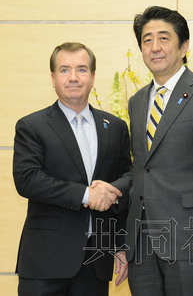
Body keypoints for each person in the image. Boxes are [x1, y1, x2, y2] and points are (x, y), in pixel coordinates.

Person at [110, 6, 193, 296]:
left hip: (190, 237)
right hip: (141, 241)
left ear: (184, 46)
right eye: (146, 40)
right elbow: (142, 168)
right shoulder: (138, 101)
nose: (154, 47)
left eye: (164, 38)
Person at [13, 42, 131, 296]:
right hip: (45, 262)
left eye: (82, 69)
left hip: (96, 260)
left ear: (93, 77)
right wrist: (87, 195)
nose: (74, 77)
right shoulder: (32, 126)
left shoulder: (116, 127)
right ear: (53, 78)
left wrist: (122, 246)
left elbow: (128, 179)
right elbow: (27, 180)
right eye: (65, 70)